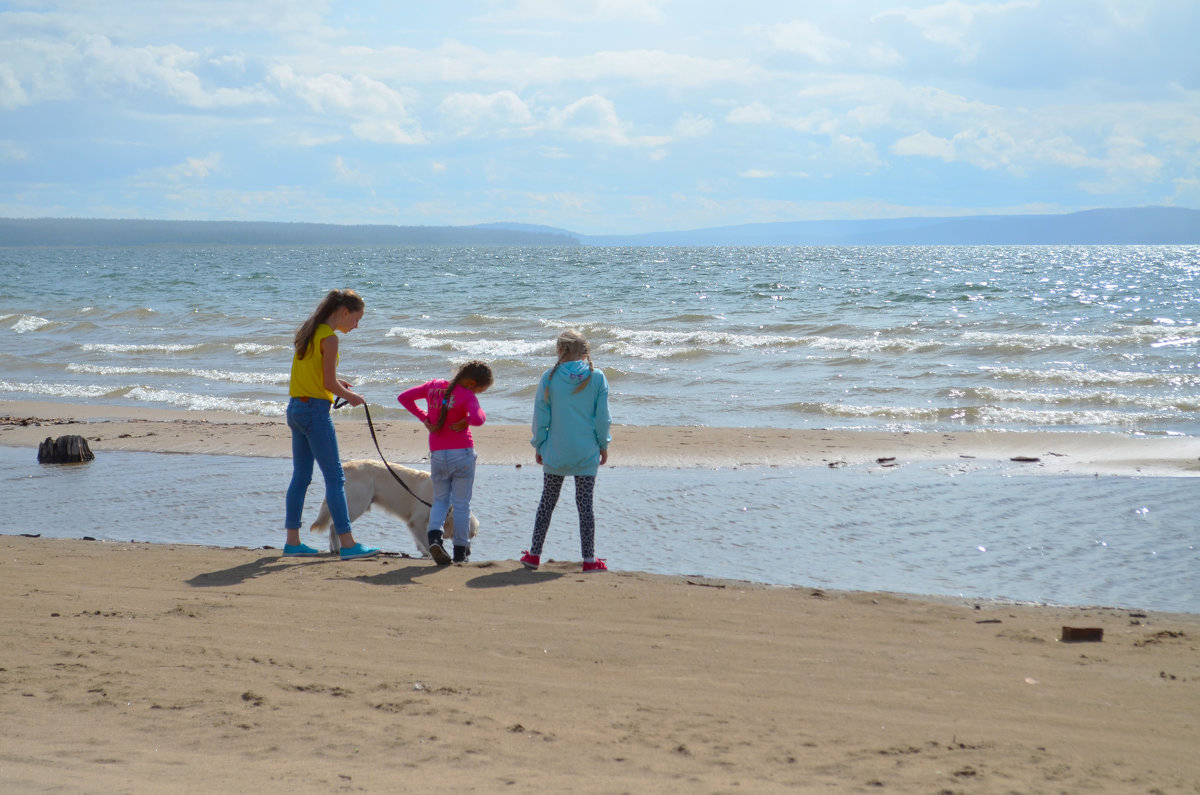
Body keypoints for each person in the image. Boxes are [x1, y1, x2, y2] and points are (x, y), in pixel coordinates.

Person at [282, 289, 380, 561]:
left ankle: (292, 542)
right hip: (313, 412)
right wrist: (351, 396)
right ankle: (348, 544)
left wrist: (340, 385)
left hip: (296, 408)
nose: (357, 325)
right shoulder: (330, 338)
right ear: (344, 312)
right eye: (357, 319)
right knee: (336, 478)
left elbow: (318, 375)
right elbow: (327, 383)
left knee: (301, 477)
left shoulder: (309, 331)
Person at [521, 329, 612, 573]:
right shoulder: (597, 377)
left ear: (561, 351)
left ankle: (534, 555)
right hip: (586, 452)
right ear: (584, 352)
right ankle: (590, 560)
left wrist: (539, 444)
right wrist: (603, 445)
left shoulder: (549, 377)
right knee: (585, 506)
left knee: (547, 502)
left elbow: (541, 416)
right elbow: (602, 419)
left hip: (556, 451)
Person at [397, 360, 493, 564]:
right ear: (472, 384)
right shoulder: (466, 394)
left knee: (440, 500)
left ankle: (434, 538)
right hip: (462, 454)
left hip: (438, 454)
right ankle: (460, 551)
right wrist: (466, 419)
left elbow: (403, 397)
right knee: (461, 504)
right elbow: (479, 419)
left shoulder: (433, 387)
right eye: (479, 390)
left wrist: (424, 417)